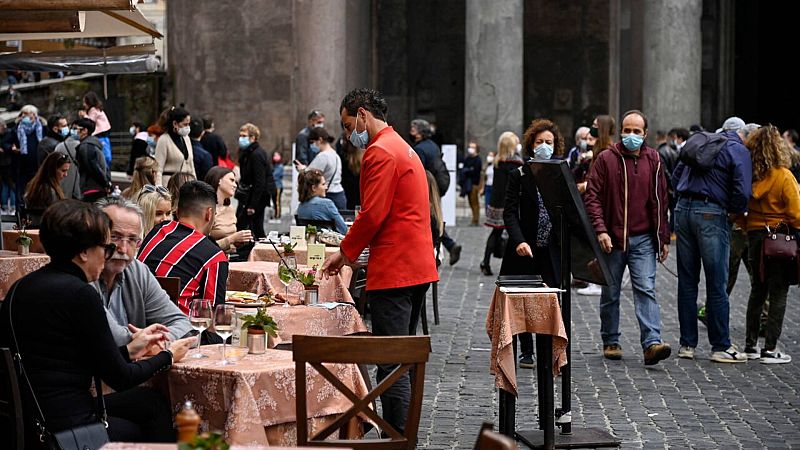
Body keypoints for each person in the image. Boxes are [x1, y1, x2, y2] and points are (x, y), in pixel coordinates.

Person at [0, 200, 196, 445]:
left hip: (30, 413)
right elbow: (120, 378)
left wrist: (129, 350)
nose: (110, 254)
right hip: (64, 427)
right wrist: (167, 356)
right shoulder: (81, 294)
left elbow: (85, 358)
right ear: (84, 252)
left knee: (150, 402)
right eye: (106, 247)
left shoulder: (21, 286)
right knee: (147, 420)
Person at [322, 88, 438, 435]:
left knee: (391, 360)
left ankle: (397, 436)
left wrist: (344, 253)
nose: (347, 135)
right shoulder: (401, 145)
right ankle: (400, 432)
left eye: (347, 125)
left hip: (397, 270)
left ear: (362, 115)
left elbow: (372, 214)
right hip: (415, 266)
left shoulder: (381, 152)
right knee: (401, 356)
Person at [584, 109, 672, 366]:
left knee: (645, 288)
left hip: (643, 238)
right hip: (612, 237)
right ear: (620, 131)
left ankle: (651, 343)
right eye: (627, 130)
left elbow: (661, 200)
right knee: (610, 292)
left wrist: (662, 237)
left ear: (645, 134)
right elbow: (593, 197)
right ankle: (610, 339)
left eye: (636, 131)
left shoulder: (654, 160)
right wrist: (600, 230)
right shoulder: (606, 159)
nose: (631, 135)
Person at [672, 116, 752, 363]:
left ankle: (687, 345)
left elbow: (675, 177)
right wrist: (732, 213)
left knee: (687, 282)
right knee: (717, 282)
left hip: (682, 211)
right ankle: (721, 346)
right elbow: (742, 190)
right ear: (742, 134)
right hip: (711, 213)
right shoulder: (737, 149)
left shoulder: (703, 142)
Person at [501, 120, 564, 368]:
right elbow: (510, 212)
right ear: (531, 144)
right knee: (523, 300)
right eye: (540, 142)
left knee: (550, 299)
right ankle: (526, 349)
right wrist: (518, 240)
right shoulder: (519, 174)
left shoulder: (560, 175)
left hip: (551, 248)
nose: (544, 147)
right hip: (525, 248)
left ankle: (551, 347)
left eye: (549, 142)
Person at [93, 197, 193, 346]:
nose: (123, 249)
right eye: (115, 237)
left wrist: (153, 343)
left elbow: (183, 325)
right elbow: (109, 337)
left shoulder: (137, 271)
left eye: (132, 240)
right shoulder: (82, 275)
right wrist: (146, 341)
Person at [738, 126, 800, 363]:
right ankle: (771, 348)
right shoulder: (784, 176)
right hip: (780, 239)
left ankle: (750, 345)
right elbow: (796, 214)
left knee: (757, 290)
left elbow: (737, 209)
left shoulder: (749, 177)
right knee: (779, 292)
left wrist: (749, 226)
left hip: (754, 236)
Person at [138, 181, 229, 314]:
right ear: (209, 214)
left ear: (178, 211)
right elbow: (215, 317)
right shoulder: (214, 257)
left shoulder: (157, 231)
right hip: (178, 330)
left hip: (133, 319)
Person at [409, 118, 462, 265]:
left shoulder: (419, 149)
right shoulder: (432, 145)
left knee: (430, 216)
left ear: (419, 133)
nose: (411, 133)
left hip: (431, 185)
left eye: (413, 130)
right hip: (440, 183)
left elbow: (418, 171)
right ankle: (450, 245)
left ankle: (447, 245)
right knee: (433, 215)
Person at [576, 114, 616, 296]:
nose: (591, 128)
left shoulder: (607, 151)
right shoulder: (598, 149)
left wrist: (586, 185)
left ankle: (598, 281)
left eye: (594, 126)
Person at [480, 132, 522, 276]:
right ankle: (512, 264)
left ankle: (485, 262)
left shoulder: (498, 162)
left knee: (495, 232)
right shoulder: (516, 163)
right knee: (514, 233)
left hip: (496, 202)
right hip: (510, 203)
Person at [237, 123, 274, 240]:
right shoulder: (247, 153)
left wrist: (253, 204)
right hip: (250, 195)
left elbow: (260, 181)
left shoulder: (256, 154)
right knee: (252, 226)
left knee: (252, 226)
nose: (241, 138)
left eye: (244, 136)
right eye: (240, 135)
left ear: (252, 138)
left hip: (256, 197)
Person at [204, 167, 253, 255]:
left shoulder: (230, 208)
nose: (235, 185)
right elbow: (203, 247)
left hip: (233, 257)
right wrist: (232, 239)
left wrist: (241, 240)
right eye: (231, 180)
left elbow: (231, 240)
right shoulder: (206, 210)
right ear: (219, 180)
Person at [296, 127, 347, 210]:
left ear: (319, 140)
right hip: (339, 195)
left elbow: (309, 175)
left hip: (328, 195)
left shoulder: (323, 156)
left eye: (312, 142)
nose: (311, 146)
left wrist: (302, 169)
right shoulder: (335, 155)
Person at [23, 152, 70, 226]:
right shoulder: (51, 192)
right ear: (52, 170)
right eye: (63, 171)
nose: (66, 174)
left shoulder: (33, 187)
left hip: (32, 230)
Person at [296, 169, 348, 234]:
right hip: (328, 242)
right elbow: (343, 230)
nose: (326, 187)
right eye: (323, 184)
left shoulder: (300, 206)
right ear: (314, 188)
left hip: (309, 242)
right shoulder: (327, 204)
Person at [155, 107, 195, 186]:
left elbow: (191, 166)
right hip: (169, 185)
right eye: (185, 124)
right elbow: (158, 169)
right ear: (175, 124)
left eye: (188, 124)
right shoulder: (164, 140)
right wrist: (159, 189)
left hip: (187, 185)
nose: (187, 127)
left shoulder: (186, 138)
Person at [13, 105, 44, 207]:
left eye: (28, 113)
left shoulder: (41, 127)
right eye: (24, 113)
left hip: (36, 164)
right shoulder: (17, 127)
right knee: (21, 189)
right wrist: (12, 148)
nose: (25, 116)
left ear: (34, 115)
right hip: (22, 165)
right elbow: (6, 141)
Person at [74, 118, 110, 203]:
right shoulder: (94, 144)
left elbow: (94, 168)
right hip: (97, 188)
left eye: (76, 129)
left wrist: (105, 183)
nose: (74, 131)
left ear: (85, 130)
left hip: (91, 188)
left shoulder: (86, 146)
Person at [83, 91, 113, 166]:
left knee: (104, 154)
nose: (84, 105)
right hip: (102, 133)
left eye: (85, 102)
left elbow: (90, 121)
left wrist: (84, 116)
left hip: (100, 132)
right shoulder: (97, 109)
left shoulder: (93, 110)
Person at [462, 141, 483, 226]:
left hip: (474, 183)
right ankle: (474, 218)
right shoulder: (467, 158)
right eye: (470, 147)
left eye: (473, 147)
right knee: (470, 201)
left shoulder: (478, 159)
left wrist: (468, 170)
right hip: (468, 183)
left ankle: (475, 220)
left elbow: (475, 171)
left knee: (474, 202)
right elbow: (464, 169)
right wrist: (468, 170)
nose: (470, 149)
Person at [0, 121, 18, 213]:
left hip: (6, 164)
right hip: (7, 164)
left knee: (7, 185)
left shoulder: (7, 135)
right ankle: (12, 205)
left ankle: (7, 206)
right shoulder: (9, 135)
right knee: (10, 185)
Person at [271, 151, 284, 221]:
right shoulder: (273, 166)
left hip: (278, 186)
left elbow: (275, 176)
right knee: (273, 201)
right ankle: (275, 213)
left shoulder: (280, 166)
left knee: (277, 201)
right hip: (273, 186)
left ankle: (278, 214)